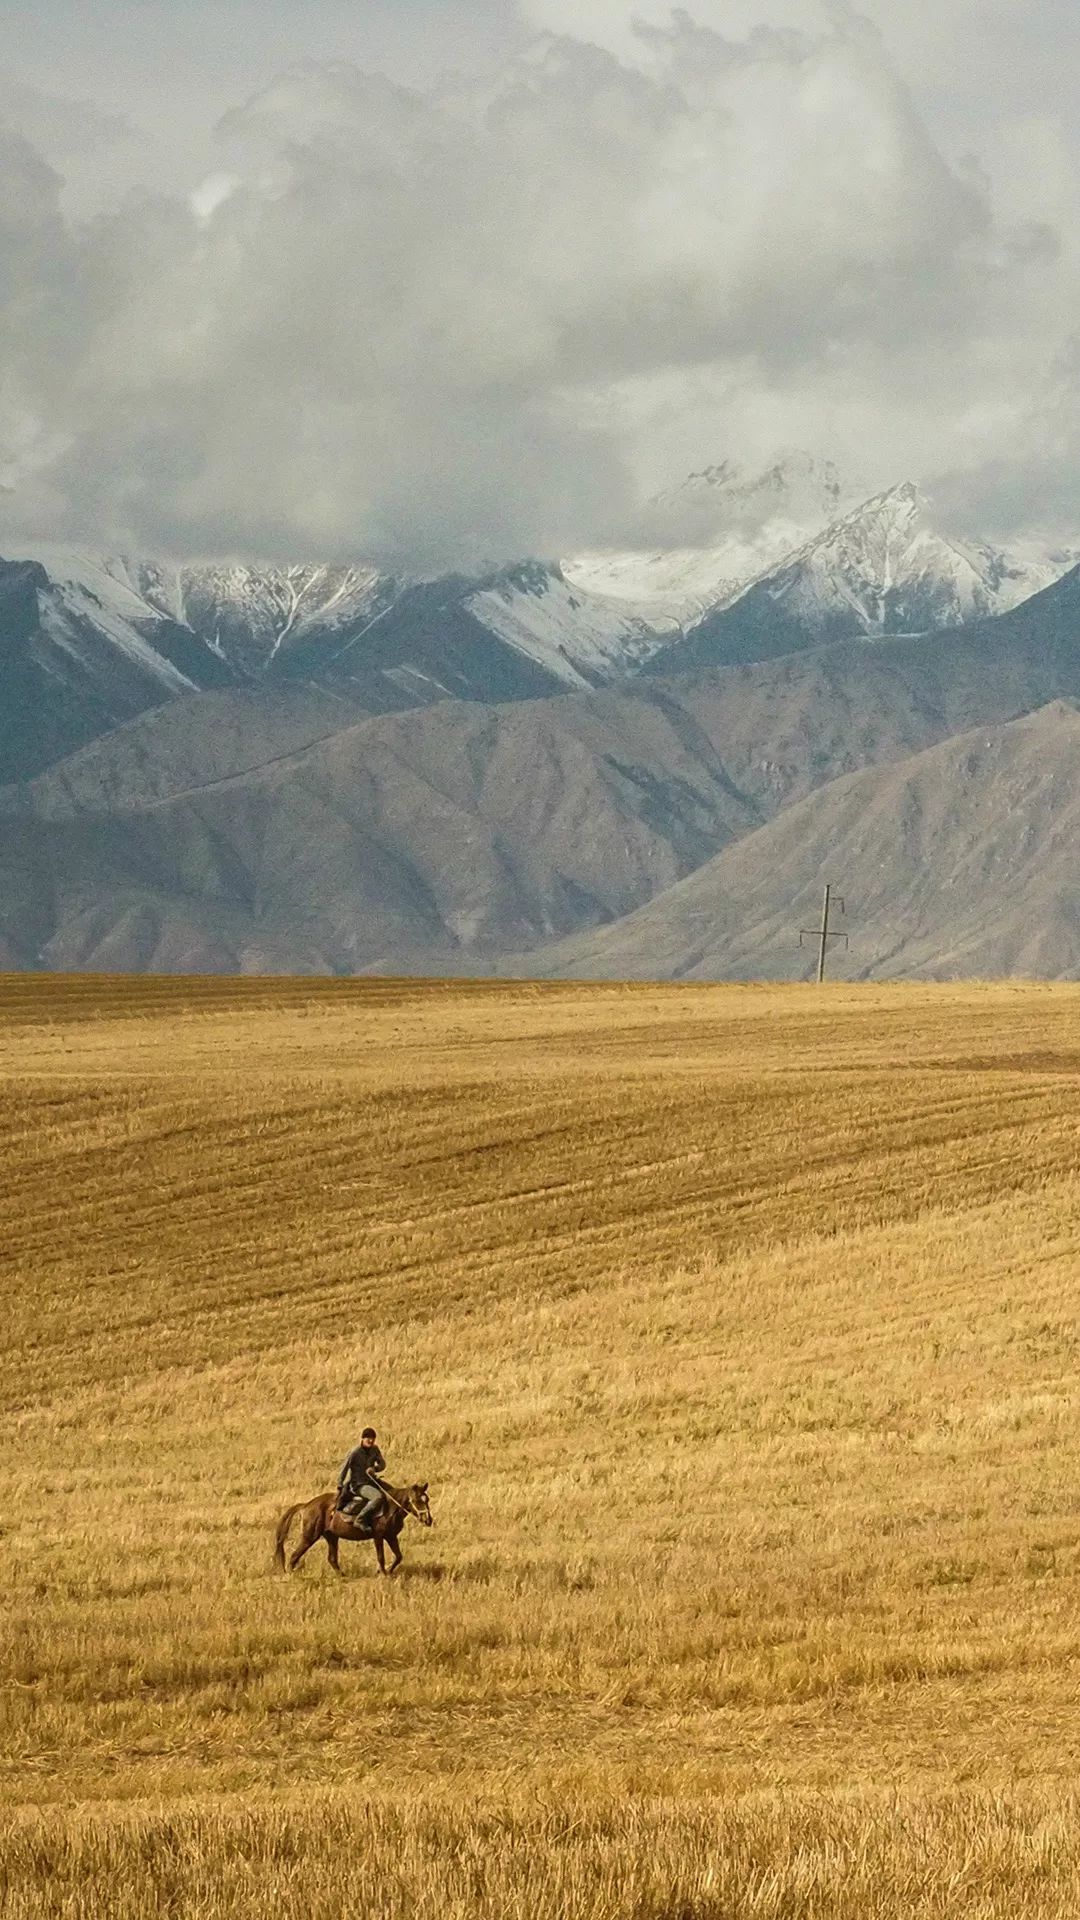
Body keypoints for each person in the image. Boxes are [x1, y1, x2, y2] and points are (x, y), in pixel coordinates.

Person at [336, 1427, 387, 1528]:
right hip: (358, 1484)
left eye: (373, 1438)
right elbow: (344, 1468)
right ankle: (360, 1519)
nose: (371, 1440)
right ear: (363, 1438)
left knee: (390, 1492)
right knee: (377, 1497)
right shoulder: (355, 1452)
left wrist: (374, 1469)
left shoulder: (375, 1450)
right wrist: (340, 1484)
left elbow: (382, 1464)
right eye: (368, 1438)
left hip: (372, 1481)